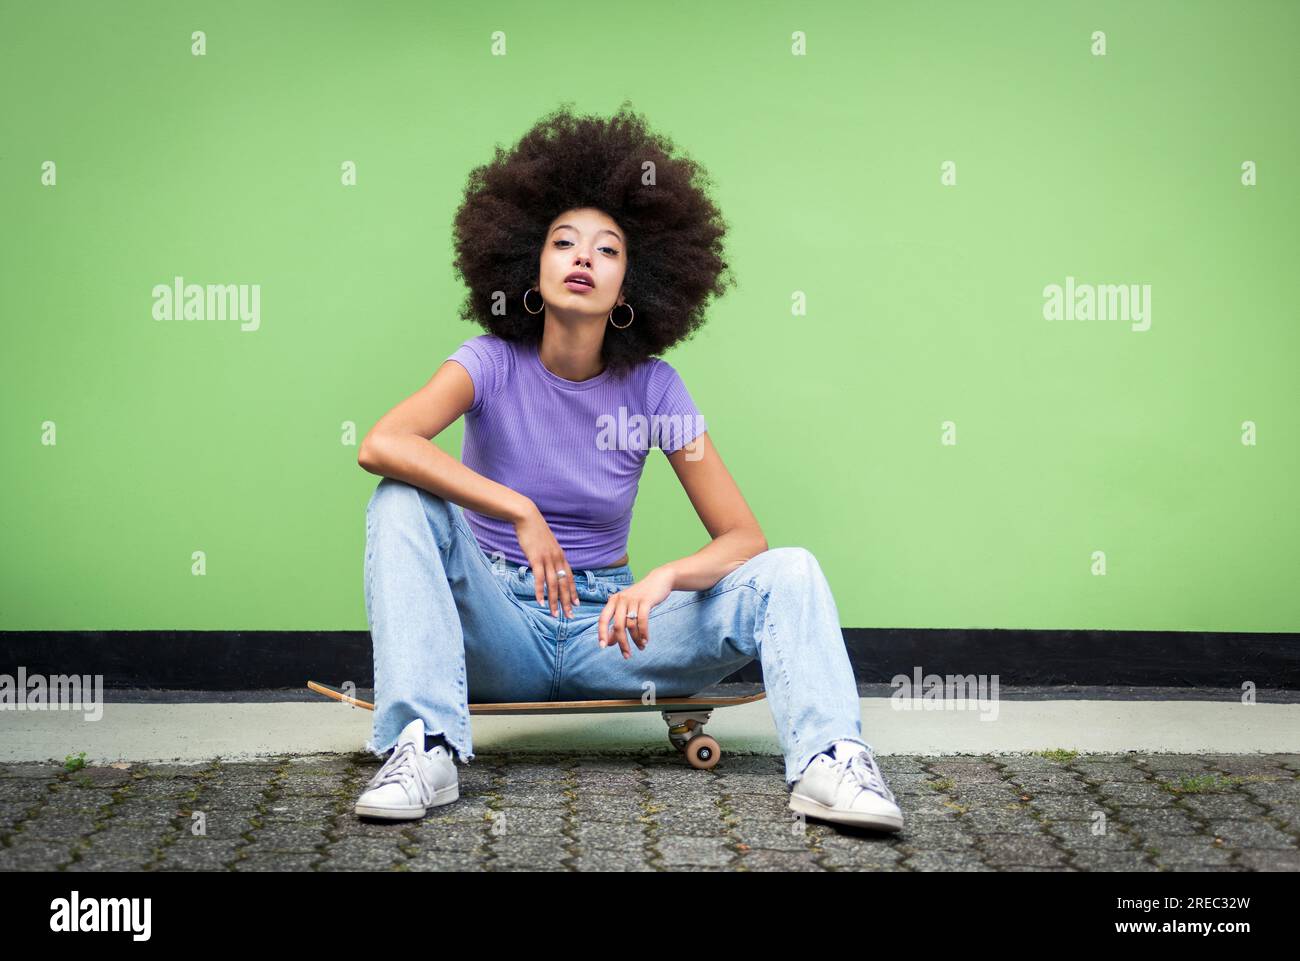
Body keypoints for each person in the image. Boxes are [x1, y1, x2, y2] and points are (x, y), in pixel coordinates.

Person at [353, 102, 903, 833]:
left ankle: (830, 760)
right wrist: (520, 510)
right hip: (496, 628)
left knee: (793, 569)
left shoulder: (654, 387)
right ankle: (424, 747)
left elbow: (744, 539)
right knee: (400, 497)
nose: (583, 257)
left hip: (615, 632)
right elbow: (382, 442)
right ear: (529, 263)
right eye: (563, 242)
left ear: (630, 288)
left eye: (607, 249)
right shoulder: (486, 362)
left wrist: (665, 577)